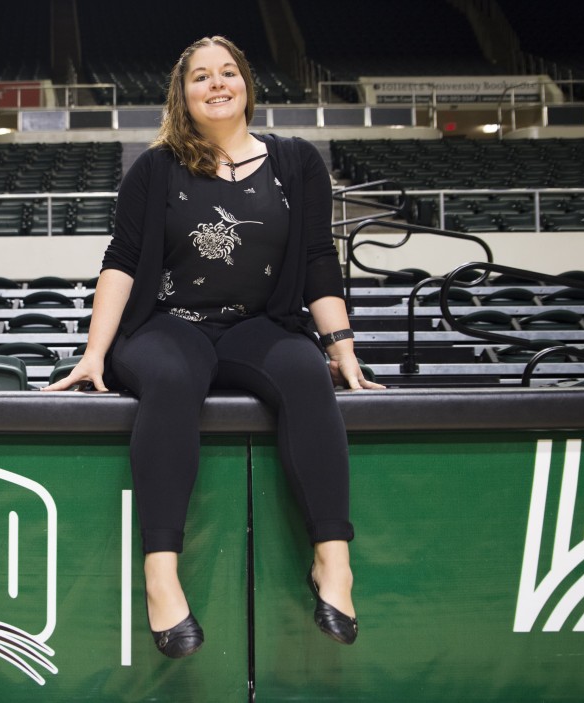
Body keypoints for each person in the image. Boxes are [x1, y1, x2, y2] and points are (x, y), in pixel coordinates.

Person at [43, 35, 383, 657]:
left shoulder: (297, 162)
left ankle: (333, 564)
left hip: (260, 325)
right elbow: (121, 261)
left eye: (228, 72)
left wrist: (342, 347)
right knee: (172, 380)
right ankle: (161, 576)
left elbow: (317, 259)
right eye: (201, 76)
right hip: (167, 325)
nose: (217, 83)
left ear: (247, 85)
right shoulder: (155, 168)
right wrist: (93, 352)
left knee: (306, 374)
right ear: (183, 94)